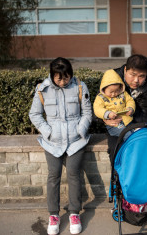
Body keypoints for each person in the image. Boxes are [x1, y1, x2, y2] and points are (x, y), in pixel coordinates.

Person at [29, 57, 92, 235]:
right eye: (59, 78)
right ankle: (54, 215)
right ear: (52, 75)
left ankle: (74, 213)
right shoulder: (42, 89)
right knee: (53, 175)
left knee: (73, 174)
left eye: (66, 77)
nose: (63, 81)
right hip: (52, 143)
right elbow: (34, 114)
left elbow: (87, 112)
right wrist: (47, 132)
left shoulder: (80, 86)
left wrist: (81, 130)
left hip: (76, 141)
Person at [103, 54, 147, 160]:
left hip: (143, 124)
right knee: (117, 150)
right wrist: (105, 119)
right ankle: (118, 176)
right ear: (125, 69)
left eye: (141, 76)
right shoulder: (111, 79)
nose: (136, 80)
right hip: (118, 125)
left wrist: (144, 125)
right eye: (133, 74)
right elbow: (98, 106)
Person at [93, 69, 136, 141]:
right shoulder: (101, 97)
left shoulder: (123, 93)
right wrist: (107, 114)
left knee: (135, 133)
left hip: (127, 120)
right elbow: (97, 108)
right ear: (104, 89)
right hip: (114, 124)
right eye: (111, 92)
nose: (114, 94)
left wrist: (130, 108)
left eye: (116, 91)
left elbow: (130, 100)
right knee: (127, 135)